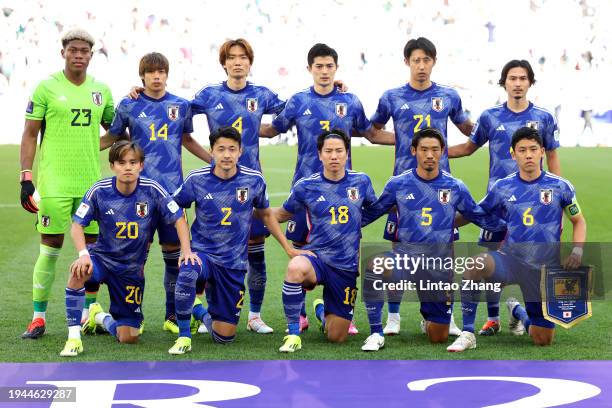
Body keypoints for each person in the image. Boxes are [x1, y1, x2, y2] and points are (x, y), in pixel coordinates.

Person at [260, 43, 394, 334]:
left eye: (328, 66)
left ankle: (334, 305)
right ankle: (304, 312)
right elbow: (273, 129)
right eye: (318, 66)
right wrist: (239, 126)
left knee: (342, 240)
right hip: (305, 189)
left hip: (341, 188)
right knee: (301, 249)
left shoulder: (351, 101)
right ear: (309, 69)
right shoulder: (297, 101)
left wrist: (409, 138)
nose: (323, 71)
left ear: (336, 68)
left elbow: (370, 132)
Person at [86, 52, 211, 335]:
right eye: (151, 72)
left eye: (161, 71)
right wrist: (84, 150)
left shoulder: (180, 105)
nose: (156, 76)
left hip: (171, 194)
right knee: (129, 257)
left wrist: (212, 160)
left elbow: (187, 139)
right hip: (135, 195)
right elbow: (115, 137)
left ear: (167, 74)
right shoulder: (129, 103)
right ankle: (124, 313)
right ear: (142, 75)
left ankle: (171, 315)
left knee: (173, 256)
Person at [167, 127, 309, 354]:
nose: (226, 154)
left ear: (240, 152)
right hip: (203, 254)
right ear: (211, 151)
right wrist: (186, 248)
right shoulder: (197, 179)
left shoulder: (253, 180)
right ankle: (184, 337)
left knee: (224, 337)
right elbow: (174, 209)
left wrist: (288, 247)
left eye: (232, 149)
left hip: (233, 264)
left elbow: (265, 215)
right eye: (221, 149)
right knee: (188, 270)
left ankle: (199, 311)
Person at [360, 128, 504, 352]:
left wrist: (510, 227)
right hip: (404, 259)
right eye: (424, 149)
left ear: (442, 152)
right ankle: (376, 333)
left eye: (435, 150)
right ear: (413, 151)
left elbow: (478, 216)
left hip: (438, 267)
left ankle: (428, 316)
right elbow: (373, 212)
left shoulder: (455, 186)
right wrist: (344, 224)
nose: (429, 155)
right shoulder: (397, 184)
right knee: (376, 264)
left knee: (438, 336)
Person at [448, 59, 561, 337]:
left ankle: (521, 313)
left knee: (530, 266)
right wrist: (433, 151)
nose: (518, 83)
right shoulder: (490, 116)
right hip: (498, 204)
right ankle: (494, 318)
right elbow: (467, 147)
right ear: (504, 83)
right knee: (490, 265)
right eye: (513, 78)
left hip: (534, 208)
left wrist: (557, 201)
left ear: (530, 83)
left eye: (523, 78)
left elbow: (553, 157)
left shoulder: (544, 118)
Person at [447, 127, 586, 352]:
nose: (528, 155)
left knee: (542, 339)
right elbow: (475, 213)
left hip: (543, 269)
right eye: (522, 150)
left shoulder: (561, 186)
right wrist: (445, 222)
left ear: (542, 151)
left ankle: (517, 311)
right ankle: (468, 332)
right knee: (474, 265)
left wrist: (577, 251)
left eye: (533, 149)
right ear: (513, 154)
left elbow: (579, 221)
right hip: (510, 261)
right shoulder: (502, 187)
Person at [370, 37, 472, 336]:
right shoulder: (391, 97)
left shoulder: (449, 96)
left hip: (441, 187)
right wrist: (403, 140)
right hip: (401, 189)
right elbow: (372, 131)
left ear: (433, 62)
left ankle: (445, 315)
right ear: (407, 62)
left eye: (427, 60)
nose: (421, 65)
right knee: (398, 252)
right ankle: (394, 315)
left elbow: (469, 129)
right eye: (416, 60)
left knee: (446, 252)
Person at [59, 141, 197, 356]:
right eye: (121, 162)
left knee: (129, 337)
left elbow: (178, 218)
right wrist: (83, 254)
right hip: (102, 260)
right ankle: (73, 339)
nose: (128, 167)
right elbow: (77, 225)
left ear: (141, 165)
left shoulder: (152, 190)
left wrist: (186, 250)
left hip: (131, 271)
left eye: (133, 162)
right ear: (112, 165)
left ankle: (99, 316)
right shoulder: (99, 190)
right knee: (78, 270)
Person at [20, 29, 115, 339]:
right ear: (63, 52)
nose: (78, 54)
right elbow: (30, 133)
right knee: (50, 248)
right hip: (55, 184)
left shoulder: (101, 90)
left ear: (90, 54)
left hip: (90, 186)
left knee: (90, 251)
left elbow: (117, 131)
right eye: (73, 49)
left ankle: (88, 313)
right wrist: (26, 177)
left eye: (84, 50)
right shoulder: (46, 88)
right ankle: (38, 317)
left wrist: (89, 145)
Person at [274, 130, 377, 352]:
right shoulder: (305, 186)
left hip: (345, 265)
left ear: (347, 154)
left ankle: (321, 310)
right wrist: (255, 214)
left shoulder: (361, 181)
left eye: (339, 151)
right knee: (295, 267)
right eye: (328, 151)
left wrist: (355, 223)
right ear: (319, 154)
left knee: (336, 337)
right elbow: (280, 214)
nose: (334, 156)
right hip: (316, 259)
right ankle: (293, 333)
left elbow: (375, 209)